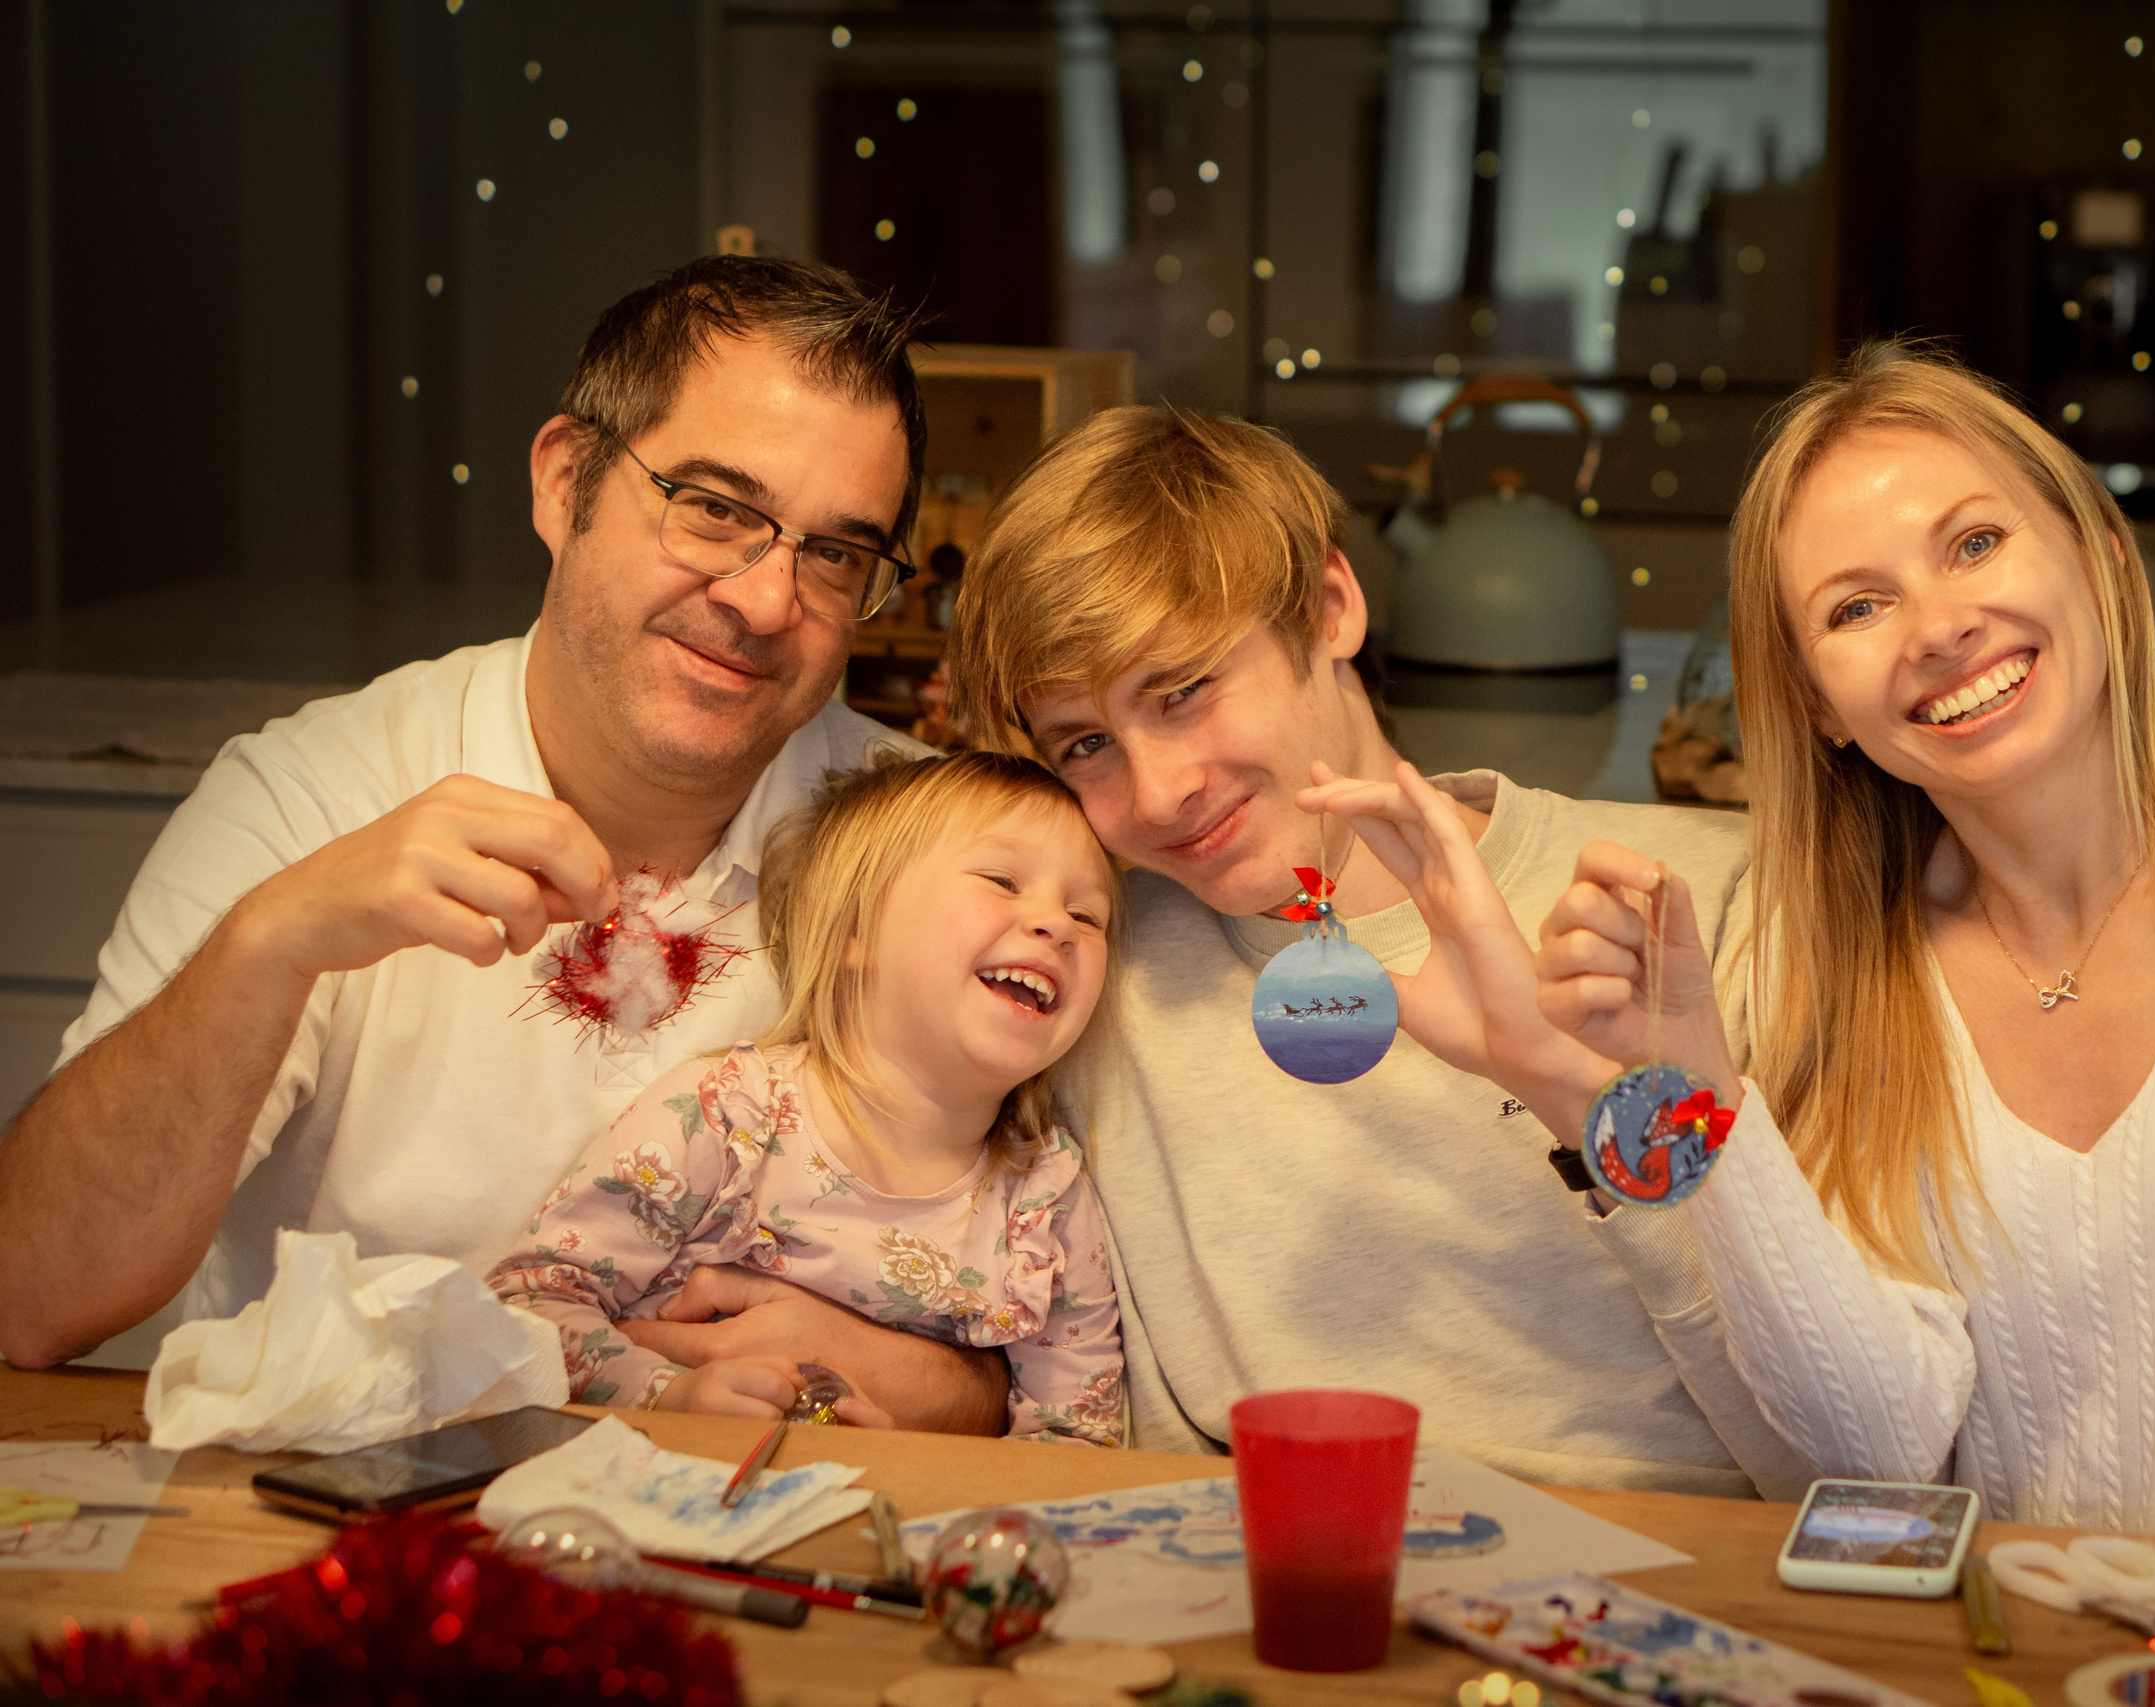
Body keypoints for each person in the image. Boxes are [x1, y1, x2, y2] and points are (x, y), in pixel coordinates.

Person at [1305, 343, 2155, 1550]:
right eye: (1856, 607)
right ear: (1819, 707)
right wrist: (1697, 1088)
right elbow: (1874, 1462)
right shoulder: (1827, 957)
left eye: (1975, 542)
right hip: (1985, 1650)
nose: (1938, 628)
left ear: (2100, 553)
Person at [0, 257, 1010, 1436]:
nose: (766, 600)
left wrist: (928, 1380)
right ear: (564, 480)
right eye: (715, 508)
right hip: (352, 1512)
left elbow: (1066, 1351)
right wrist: (267, 946)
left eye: (834, 553)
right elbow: (31, 1299)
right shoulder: (310, 797)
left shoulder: (954, 860)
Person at [944, 407, 1796, 1495]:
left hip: (1661, 1553)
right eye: (1087, 743)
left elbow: (1826, 1449)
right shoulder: (1087, 961)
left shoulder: (1703, 901)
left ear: (1331, 608)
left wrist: (1569, 1088)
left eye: (1185, 690)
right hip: (1246, 1547)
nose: (1157, 793)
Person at [489, 754, 1125, 1441]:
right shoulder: (726, 1115)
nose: (1057, 924)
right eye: (1002, 880)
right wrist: (667, 1395)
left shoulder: (1046, 1203)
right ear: (856, 930)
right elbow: (527, 1308)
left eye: (1087, 915)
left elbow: (1080, 1441)